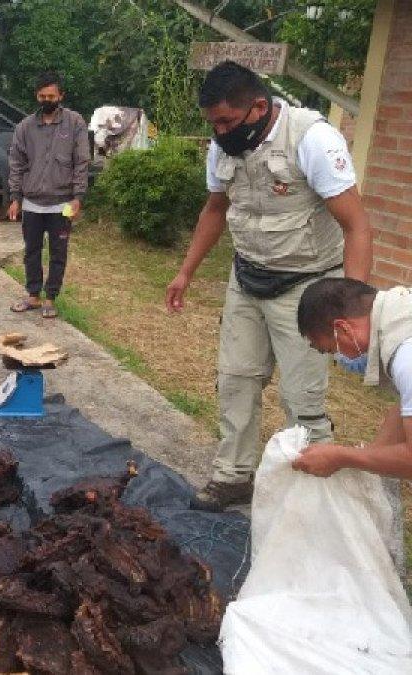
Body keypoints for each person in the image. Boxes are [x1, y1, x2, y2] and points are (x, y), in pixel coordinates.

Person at [164, 60, 373, 511]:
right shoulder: (222, 149)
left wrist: (352, 304)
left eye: (226, 121)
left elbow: (357, 226)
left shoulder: (312, 140)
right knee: (235, 380)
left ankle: (315, 495)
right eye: (212, 123)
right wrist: (186, 271)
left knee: (303, 396)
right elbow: (216, 209)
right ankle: (234, 476)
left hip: (307, 285)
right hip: (247, 277)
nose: (218, 132)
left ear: (259, 107)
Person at [294, 278, 412, 479]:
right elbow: (405, 407)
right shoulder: (401, 314)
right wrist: (370, 457)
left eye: (331, 350)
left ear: (343, 329)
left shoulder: (406, 359)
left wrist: (342, 457)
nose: (341, 359)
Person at [7, 71, 90, 319]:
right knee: (31, 250)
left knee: (58, 253)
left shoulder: (74, 123)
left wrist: (78, 197)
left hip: (62, 204)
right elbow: (16, 164)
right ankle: (33, 295)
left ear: (61, 95)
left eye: (51, 95)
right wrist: (15, 197)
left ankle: (51, 298)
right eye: (42, 95)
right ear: (37, 96)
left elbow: (81, 162)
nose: (46, 100)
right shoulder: (25, 127)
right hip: (32, 203)